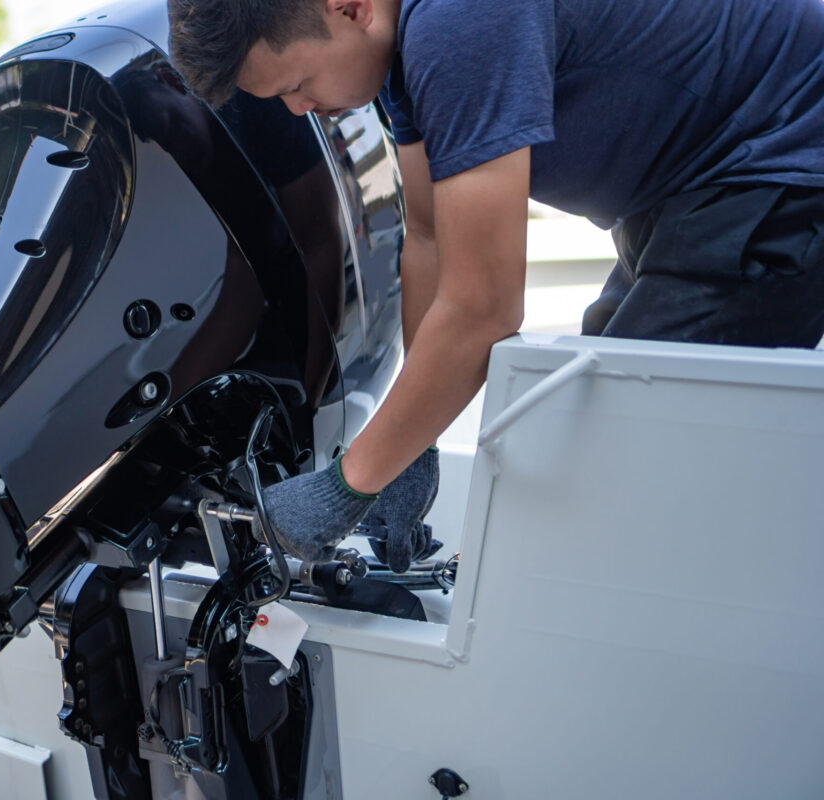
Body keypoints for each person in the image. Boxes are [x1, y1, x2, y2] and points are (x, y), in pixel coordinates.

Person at [167, 0, 824, 570]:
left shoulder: (459, 24)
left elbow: (484, 309)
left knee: (622, 457)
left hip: (783, 158)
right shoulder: (400, 42)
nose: (299, 108)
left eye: (298, 83)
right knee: (591, 427)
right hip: (698, 182)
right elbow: (427, 235)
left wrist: (348, 484)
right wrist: (408, 446)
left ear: (349, 8)